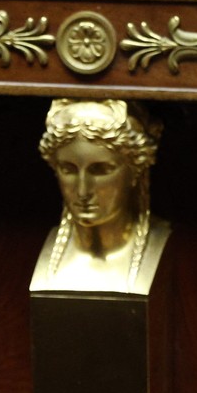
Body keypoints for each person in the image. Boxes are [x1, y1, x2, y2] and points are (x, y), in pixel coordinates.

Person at [34, 98, 168, 294]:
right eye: (68, 169)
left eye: (100, 170)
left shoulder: (165, 245)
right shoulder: (40, 250)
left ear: (135, 171)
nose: (82, 191)